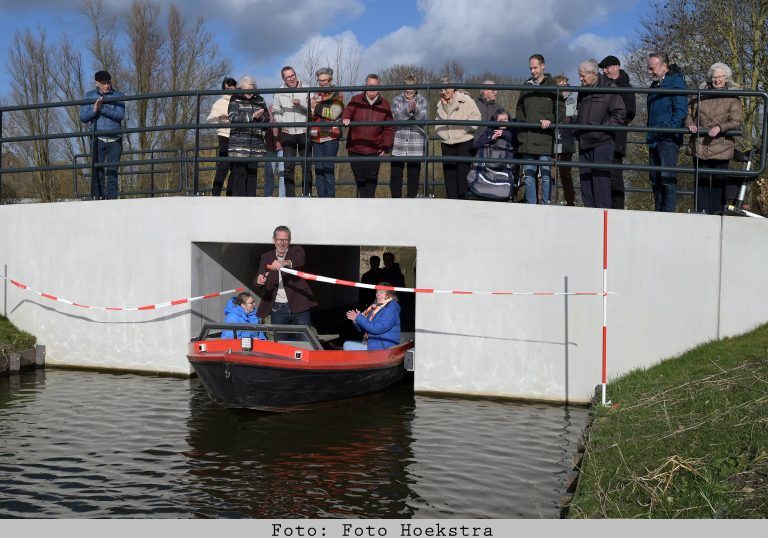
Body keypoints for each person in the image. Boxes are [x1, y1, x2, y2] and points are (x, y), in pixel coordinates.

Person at [566, 59, 626, 208]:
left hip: (602, 143)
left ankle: (602, 219)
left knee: (601, 184)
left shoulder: (610, 88)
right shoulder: (583, 90)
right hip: (585, 141)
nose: (580, 79)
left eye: (582, 76)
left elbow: (620, 114)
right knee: (585, 183)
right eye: (579, 75)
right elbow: (581, 113)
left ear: (593, 74)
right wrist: (575, 125)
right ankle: (589, 217)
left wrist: (602, 129)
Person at [685, 62, 743, 214]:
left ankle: (717, 213)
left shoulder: (733, 97)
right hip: (700, 143)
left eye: (720, 76)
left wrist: (720, 128)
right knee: (701, 179)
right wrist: (690, 124)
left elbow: (736, 120)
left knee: (719, 181)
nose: (717, 80)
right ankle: (701, 211)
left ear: (726, 78)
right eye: (714, 77)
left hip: (722, 144)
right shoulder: (699, 94)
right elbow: (688, 113)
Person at [516, 54, 565, 205]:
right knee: (529, 175)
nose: (533, 71)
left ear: (543, 66)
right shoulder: (526, 86)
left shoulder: (553, 87)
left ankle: (546, 204)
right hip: (528, 138)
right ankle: (531, 205)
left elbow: (561, 110)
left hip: (545, 137)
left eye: (535, 67)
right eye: (530, 68)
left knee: (545, 174)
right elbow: (519, 109)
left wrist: (550, 119)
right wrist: (523, 124)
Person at [647, 52, 688, 212]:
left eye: (652, 68)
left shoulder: (676, 82)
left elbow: (680, 111)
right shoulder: (656, 84)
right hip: (654, 137)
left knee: (667, 177)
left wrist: (667, 129)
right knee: (655, 178)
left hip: (667, 138)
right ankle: (659, 212)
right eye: (649, 68)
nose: (650, 72)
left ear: (664, 66)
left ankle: (668, 214)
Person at [341, 74, 394, 198]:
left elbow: (389, 128)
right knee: (359, 177)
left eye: (375, 86)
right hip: (355, 147)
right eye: (370, 85)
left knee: (372, 177)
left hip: (374, 148)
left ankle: (368, 202)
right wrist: (346, 118)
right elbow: (347, 112)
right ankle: (365, 202)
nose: (372, 88)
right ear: (365, 85)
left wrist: (385, 146)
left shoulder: (385, 105)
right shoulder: (356, 99)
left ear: (379, 87)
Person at [254, 225, 317, 328]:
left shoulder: (297, 251)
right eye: (279, 240)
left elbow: (299, 261)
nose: (282, 243)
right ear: (274, 240)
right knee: (281, 341)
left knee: (304, 341)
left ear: (290, 240)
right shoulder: (266, 257)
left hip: (299, 306)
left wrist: (284, 263)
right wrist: (260, 280)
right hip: (277, 308)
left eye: (285, 240)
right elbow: (258, 278)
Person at [79, 70, 125, 200]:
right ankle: (98, 198)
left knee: (112, 172)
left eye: (108, 82)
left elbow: (120, 115)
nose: (107, 86)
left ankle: (111, 200)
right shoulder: (89, 96)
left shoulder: (119, 95)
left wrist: (102, 108)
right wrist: (94, 110)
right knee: (97, 171)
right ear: (97, 83)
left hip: (115, 139)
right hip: (97, 138)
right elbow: (83, 117)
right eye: (104, 83)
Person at [598, 55, 637, 209]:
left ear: (616, 67)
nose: (604, 71)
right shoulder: (604, 85)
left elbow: (629, 112)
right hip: (603, 137)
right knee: (603, 174)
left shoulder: (625, 87)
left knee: (615, 175)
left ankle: (617, 208)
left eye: (607, 67)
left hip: (616, 138)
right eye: (603, 68)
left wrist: (613, 124)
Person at [435, 77, 482, 199]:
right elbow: (437, 122)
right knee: (449, 173)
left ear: (453, 87)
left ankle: (463, 202)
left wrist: (464, 129)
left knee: (463, 173)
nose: (443, 91)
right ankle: (451, 202)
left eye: (446, 88)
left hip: (464, 141)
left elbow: (476, 118)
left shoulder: (466, 100)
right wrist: (443, 134)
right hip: (447, 142)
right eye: (441, 89)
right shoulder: (440, 104)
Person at [272, 66, 312, 197]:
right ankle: (290, 197)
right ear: (283, 79)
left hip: (303, 131)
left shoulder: (307, 88)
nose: (292, 78)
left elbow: (312, 111)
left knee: (306, 165)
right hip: (287, 132)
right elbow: (276, 111)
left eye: (293, 75)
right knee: (288, 166)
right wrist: (284, 123)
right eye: (288, 77)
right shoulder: (279, 92)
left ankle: (307, 194)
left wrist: (299, 104)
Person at [227, 76, 269, 196]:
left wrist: (261, 118)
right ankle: (239, 203)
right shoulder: (235, 98)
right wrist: (251, 117)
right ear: (241, 88)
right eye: (246, 90)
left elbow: (267, 117)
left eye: (251, 89)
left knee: (252, 173)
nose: (249, 93)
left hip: (256, 143)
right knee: (240, 173)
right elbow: (232, 117)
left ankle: (251, 202)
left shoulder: (260, 99)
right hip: (240, 143)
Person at [467, 108, 518, 201]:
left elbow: (515, 141)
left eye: (505, 120)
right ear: (495, 121)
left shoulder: (512, 130)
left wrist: (504, 134)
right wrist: (491, 138)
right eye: (500, 120)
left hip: (503, 164)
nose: (503, 122)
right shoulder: (490, 130)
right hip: (487, 163)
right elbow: (477, 144)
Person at [390, 74, 428, 198]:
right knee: (396, 174)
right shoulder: (396, 100)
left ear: (416, 88)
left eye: (412, 87)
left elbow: (423, 118)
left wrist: (415, 109)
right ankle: (396, 201)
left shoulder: (422, 100)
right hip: (399, 143)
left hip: (415, 144)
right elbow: (395, 117)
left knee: (413, 175)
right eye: (407, 87)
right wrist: (407, 110)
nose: (409, 90)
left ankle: (411, 202)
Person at [309, 67, 344, 198]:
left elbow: (334, 114)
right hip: (315, 136)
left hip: (330, 136)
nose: (322, 83)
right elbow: (311, 115)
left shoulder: (337, 94)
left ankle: (330, 201)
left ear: (331, 79)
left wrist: (316, 107)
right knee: (318, 171)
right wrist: (310, 109)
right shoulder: (316, 94)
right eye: (320, 80)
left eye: (325, 80)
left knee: (328, 171)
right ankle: (320, 200)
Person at [206, 77, 237, 196]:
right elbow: (210, 119)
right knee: (223, 165)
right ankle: (215, 193)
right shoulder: (219, 103)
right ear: (224, 89)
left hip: (237, 136)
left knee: (235, 167)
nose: (230, 89)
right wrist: (220, 119)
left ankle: (230, 195)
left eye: (232, 87)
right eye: (228, 87)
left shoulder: (238, 101)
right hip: (224, 136)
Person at [343, 286, 401, 351]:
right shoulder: (376, 308)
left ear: (388, 295)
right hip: (374, 345)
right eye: (377, 292)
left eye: (381, 292)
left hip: (384, 348)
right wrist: (356, 320)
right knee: (347, 344)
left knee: (347, 345)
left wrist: (358, 318)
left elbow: (377, 328)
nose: (377, 294)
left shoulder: (391, 308)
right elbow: (364, 328)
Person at [552, 75, 577, 206]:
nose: (564, 89)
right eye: (560, 86)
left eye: (565, 86)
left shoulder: (573, 100)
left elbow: (577, 116)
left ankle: (570, 201)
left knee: (565, 174)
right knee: (552, 175)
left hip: (567, 142)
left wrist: (571, 119)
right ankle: (551, 200)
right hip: (553, 143)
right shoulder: (551, 100)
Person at [262, 102, 284, 197]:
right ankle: (268, 196)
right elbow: (263, 126)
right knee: (269, 172)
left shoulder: (285, 110)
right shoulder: (267, 110)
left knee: (282, 173)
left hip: (282, 146)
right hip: (270, 146)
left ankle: (282, 197)